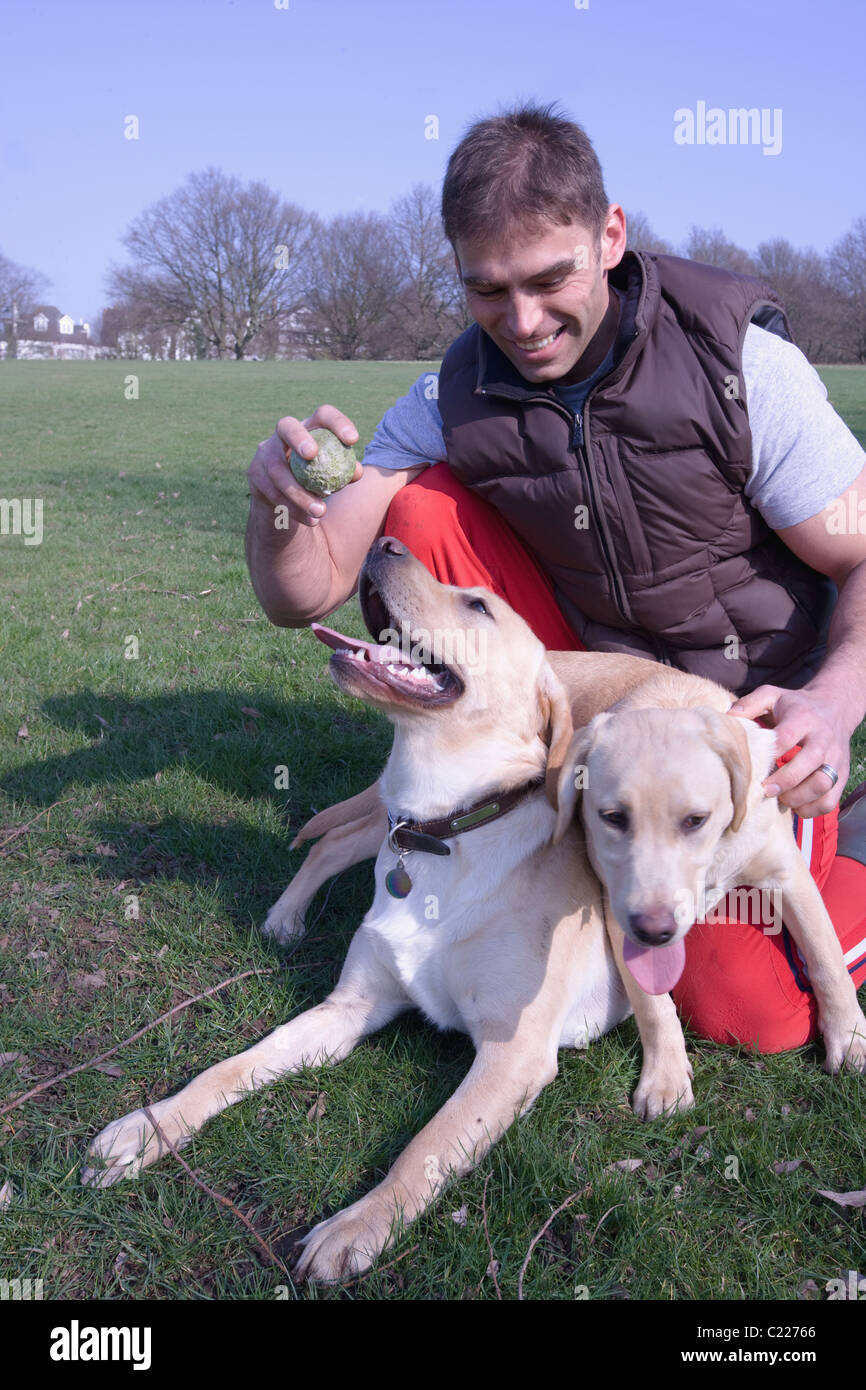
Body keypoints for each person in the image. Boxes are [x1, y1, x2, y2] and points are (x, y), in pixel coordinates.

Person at [245, 103, 866, 1055]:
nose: (523, 323)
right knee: (420, 516)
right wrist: (280, 509)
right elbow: (310, 587)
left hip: (746, 714)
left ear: (610, 234)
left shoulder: (741, 368)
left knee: (754, 1015)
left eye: (550, 279)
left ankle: (853, 838)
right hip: (594, 702)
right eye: (488, 290)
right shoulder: (455, 390)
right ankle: (470, 793)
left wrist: (832, 700)